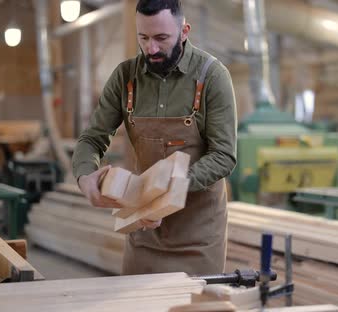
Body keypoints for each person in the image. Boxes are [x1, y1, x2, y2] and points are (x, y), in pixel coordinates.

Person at [72, 0, 237, 276]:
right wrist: (84, 173)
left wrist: (170, 190)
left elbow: (224, 156)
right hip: (144, 228)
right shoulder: (125, 77)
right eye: (143, 37)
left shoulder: (212, 77)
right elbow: (92, 139)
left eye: (161, 38)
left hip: (198, 234)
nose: (151, 49)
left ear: (184, 31)